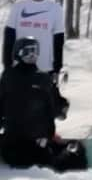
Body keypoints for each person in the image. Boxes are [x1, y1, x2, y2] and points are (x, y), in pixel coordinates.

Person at [0, 37, 85, 172]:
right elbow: (58, 110)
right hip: (37, 152)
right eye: (28, 52)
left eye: (35, 51)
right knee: (73, 153)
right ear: (18, 53)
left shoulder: (7, 76)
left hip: (12, 152)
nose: (32, 55)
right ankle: (72, 153)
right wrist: (63, 107)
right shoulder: (43, 79)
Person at [2, 0, 68, 119]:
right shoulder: (19, 7)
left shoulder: (55, 9)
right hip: (20, 68)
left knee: (43, 110)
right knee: (18, 108)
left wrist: (56, 68)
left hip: (44, 68)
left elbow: (58, 40)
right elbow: (9, 35)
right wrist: (7, 64)